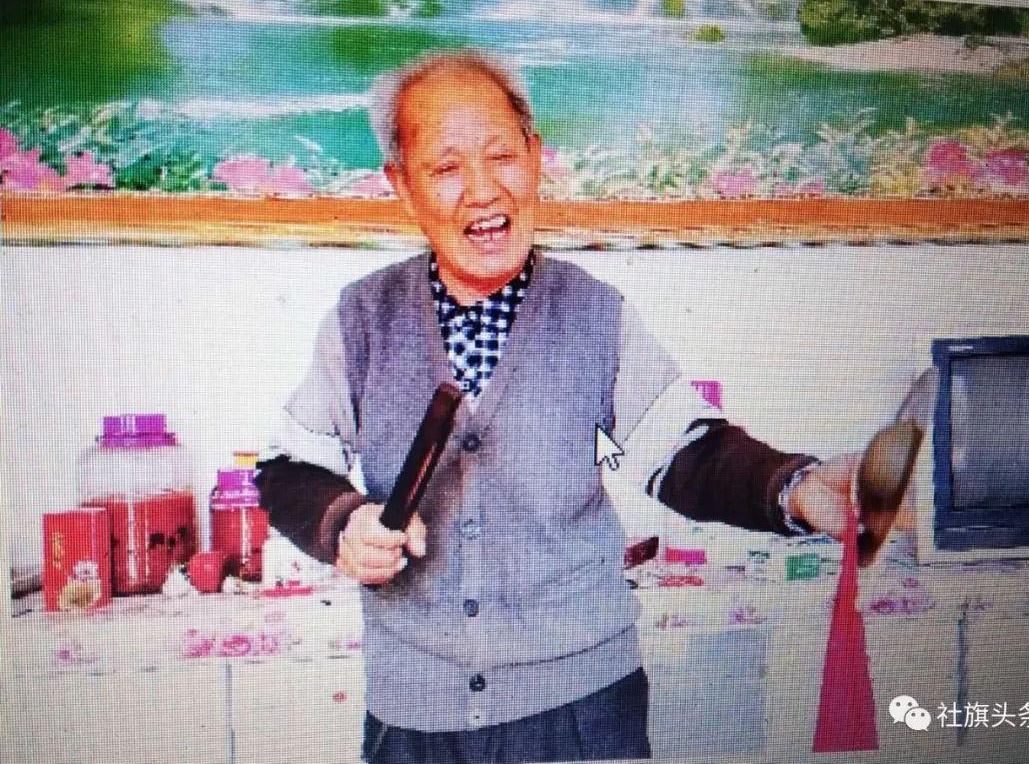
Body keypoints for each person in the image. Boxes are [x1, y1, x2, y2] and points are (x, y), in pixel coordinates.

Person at [255, 50, 855, 764]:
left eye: (501, 156)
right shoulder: (362, 318)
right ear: (403, 187)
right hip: (413, 716)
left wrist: (798, 488)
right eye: (446, 168)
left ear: (536, 159)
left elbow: (686, 454)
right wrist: (344, 522)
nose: (484, 191)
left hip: (582, 706)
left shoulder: (595, 312)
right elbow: (288, 469)